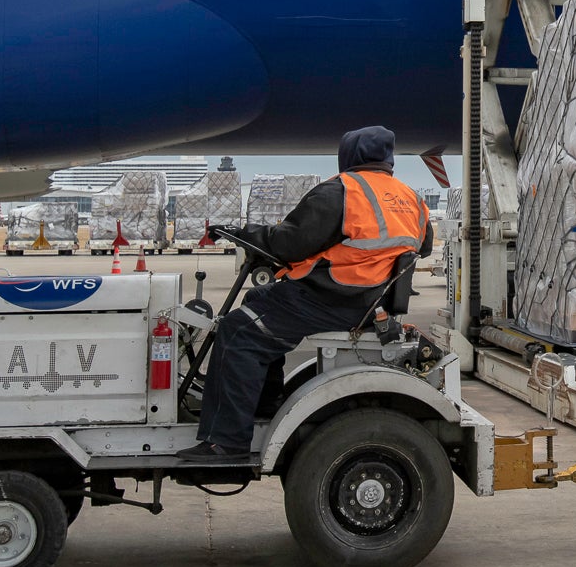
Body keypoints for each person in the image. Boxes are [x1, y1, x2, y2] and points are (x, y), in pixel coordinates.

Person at [178, 126, 431, 462]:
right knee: (258, 301)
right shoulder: (411, 199)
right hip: (373, 302)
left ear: (348, 155)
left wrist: (246, 233)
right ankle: (263, 403)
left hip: (332, 299)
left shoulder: (343, 191)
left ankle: (225, 441)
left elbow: (289, 243)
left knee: (238, 330)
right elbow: (422, 247)